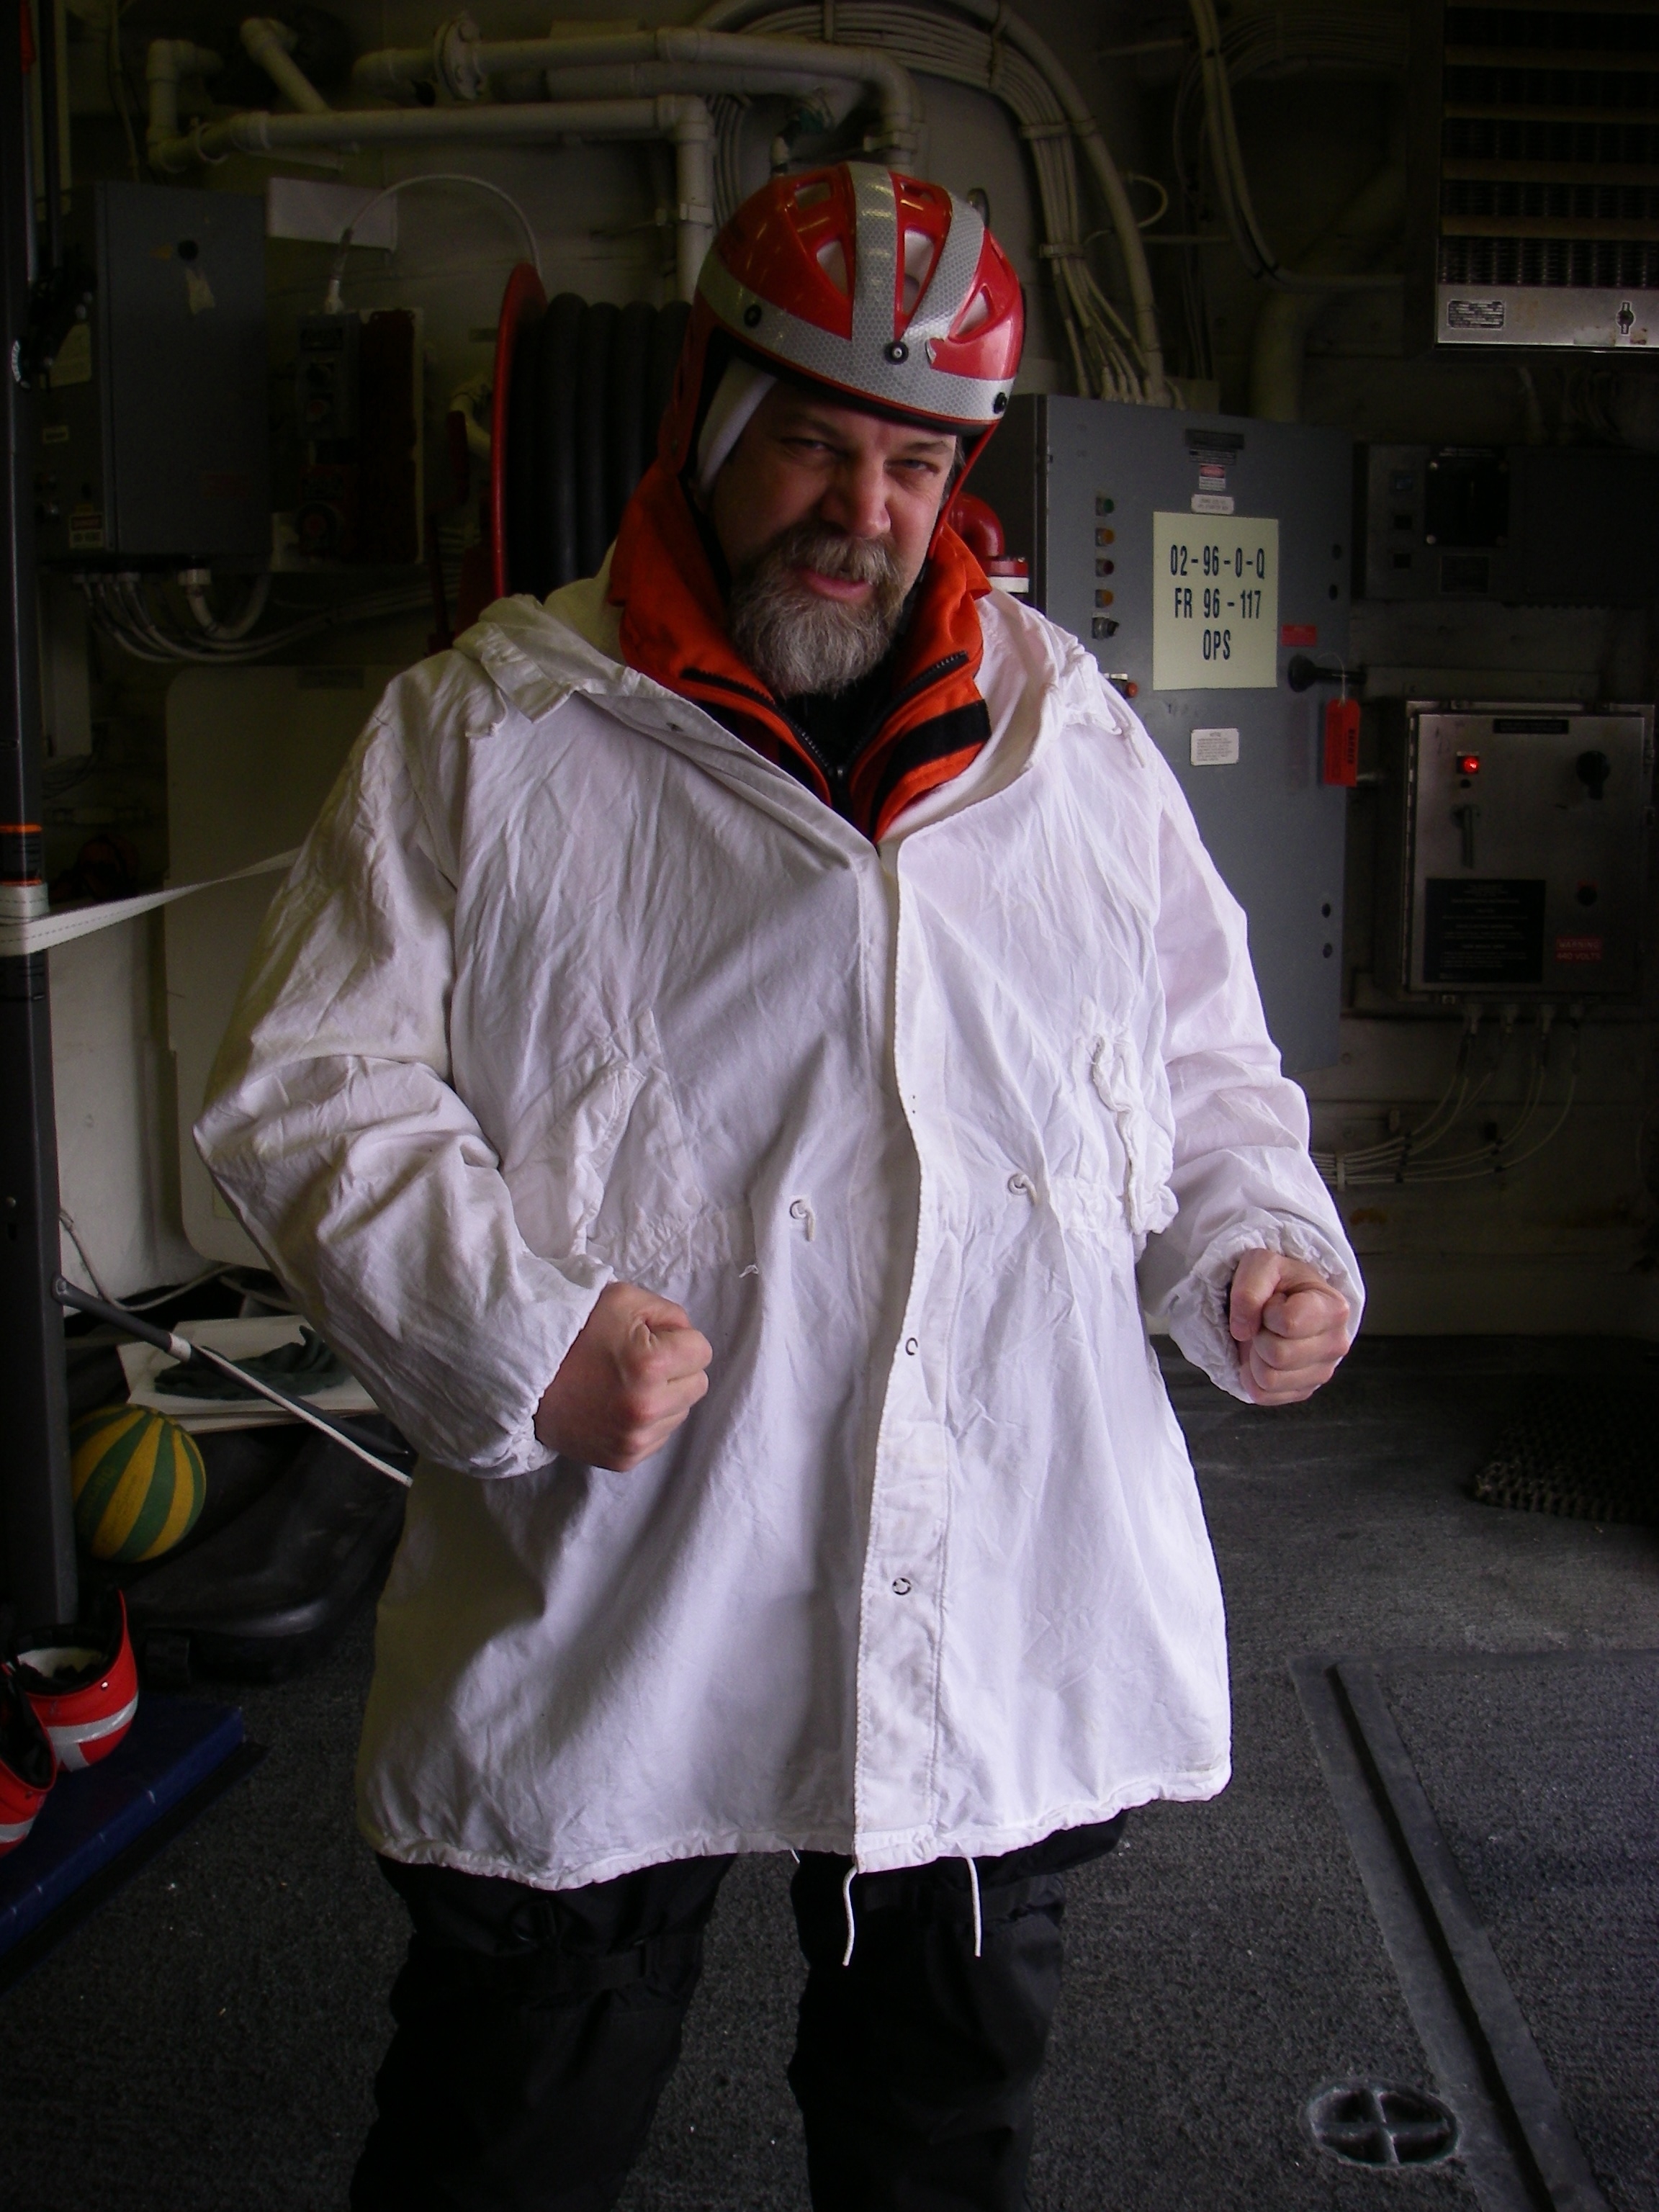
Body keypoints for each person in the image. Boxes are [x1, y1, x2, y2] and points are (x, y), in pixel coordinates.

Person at [197, 163, 1361, 2212]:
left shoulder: (1065, 738)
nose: (863, 511)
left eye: (914, 463)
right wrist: (521, 1338)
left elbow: (1199, 1064)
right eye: (817, 444)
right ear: (709, 421)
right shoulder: (492, 730)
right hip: (631, 1547)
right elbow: (314, 1085)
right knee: (516, 2111)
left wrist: (1260, 1242)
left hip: (988, 1544)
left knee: (940, 2113)